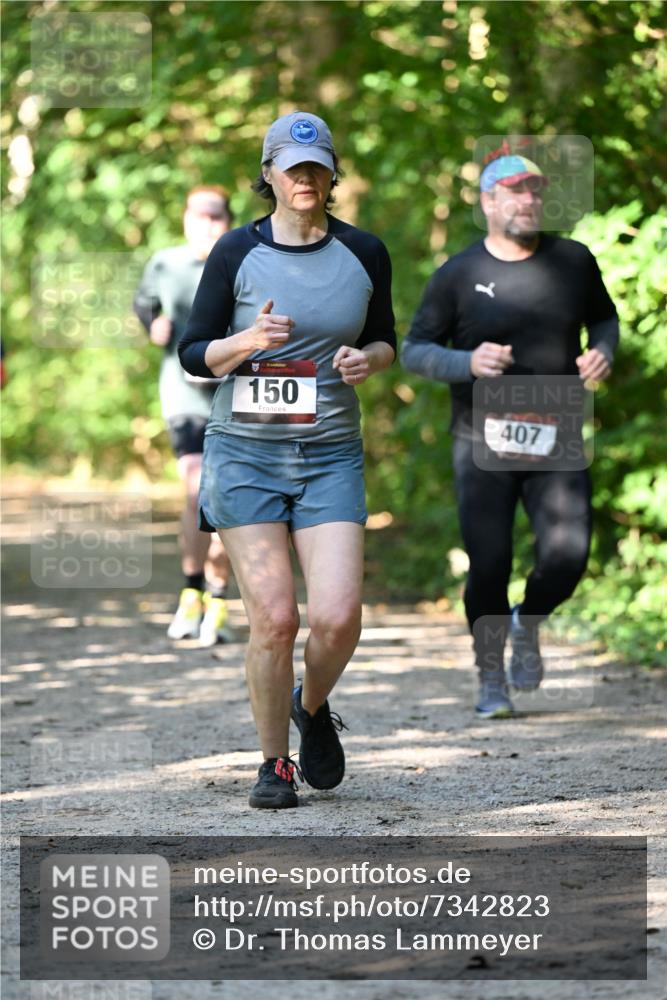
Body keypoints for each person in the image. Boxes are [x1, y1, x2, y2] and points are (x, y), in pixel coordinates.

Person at [179, 111, 396, 808]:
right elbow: (193, 353)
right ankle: (274, 764)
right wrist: (246, 342)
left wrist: (368, 359)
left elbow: (385, 338)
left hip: (329, 453)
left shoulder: (364, 251)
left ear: (332, 176)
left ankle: (311, 704)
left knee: (338, 618)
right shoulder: (235, 252)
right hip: (244, 454)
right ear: (268, 174)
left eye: (317, 168)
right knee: (275, 619)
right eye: (293, 167)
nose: (306, 178)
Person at [402, 150, 619, 719]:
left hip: (557, 432)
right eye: (515, 191)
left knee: (569, 555)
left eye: (535, 191)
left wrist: (602, 351)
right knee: (490, 563)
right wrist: (467, 362)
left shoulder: (573, 261)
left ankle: (528, 620)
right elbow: (415, 350)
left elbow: (604, 318)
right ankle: (490, 674)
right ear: (488, 202)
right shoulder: (458, 274)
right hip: (483, 440)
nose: (528, 201)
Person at [134, 185, 234, 647]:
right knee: (196, 491)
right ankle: (192, 592)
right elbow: (144, 302)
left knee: (228, 498)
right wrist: (152, 324)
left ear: (228, 221)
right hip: (184, 394)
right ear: (185, 220)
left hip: (236, 394)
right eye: (199, 216)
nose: (207, 225)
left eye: (216, 217)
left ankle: (219, 598)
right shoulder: (166, 263)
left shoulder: (243, 259)